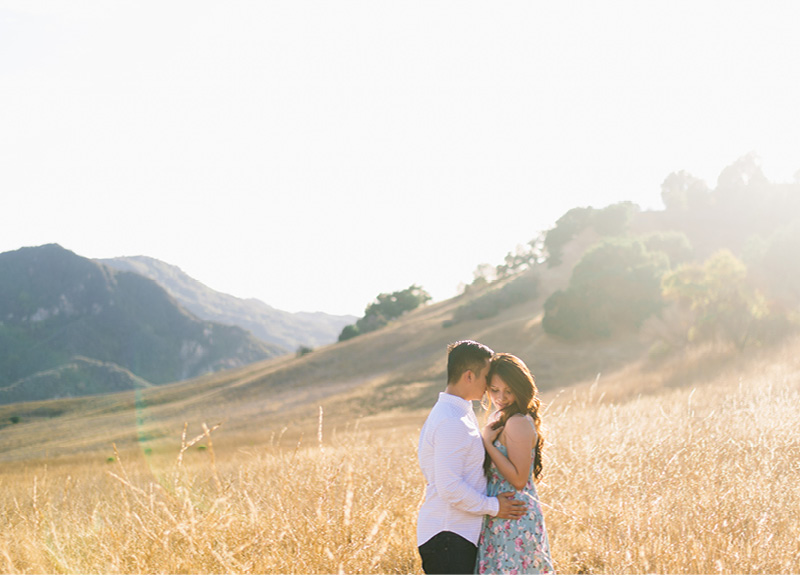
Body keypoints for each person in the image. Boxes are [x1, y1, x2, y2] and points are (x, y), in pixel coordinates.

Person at [417, 340, 526, 575]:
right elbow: (449, 487)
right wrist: (494, 506)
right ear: (469, 376)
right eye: (487, 376)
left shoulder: (457, 412)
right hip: (447, 536)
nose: (490, 385)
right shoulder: (451, 421)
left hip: (453, 535)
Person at [476, 353, 554, 574]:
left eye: (509, 390)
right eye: (494, 389)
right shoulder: (499, 417)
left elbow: (519, 479)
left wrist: (489, 445)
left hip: (514, 515)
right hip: (501, 511)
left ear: (521, 389)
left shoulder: (517, 422)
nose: (501, 397)